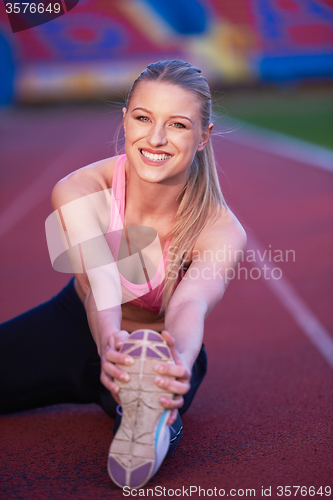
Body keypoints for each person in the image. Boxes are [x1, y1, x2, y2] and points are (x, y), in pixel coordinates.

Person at [0, 60, 246, 488]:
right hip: (76, 323)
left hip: (158, 348)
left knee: (147, 392)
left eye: (178, 125)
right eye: (143, 118)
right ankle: (138, 399)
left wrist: (179, 364)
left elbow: (191, 303)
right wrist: (110, 344)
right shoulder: (80, 189)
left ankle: (153, 414)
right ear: (126, 120)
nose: (155, 138)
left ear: (203, 137)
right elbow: (101, 283)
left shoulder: (221, 229)